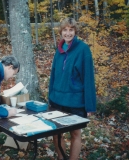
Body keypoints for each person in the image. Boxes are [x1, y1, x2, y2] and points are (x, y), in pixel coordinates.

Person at [48, 17, 96, 160]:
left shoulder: (83, 49)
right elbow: (53, 76)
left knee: (75, 134)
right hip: (57, 100)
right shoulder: (59, 49)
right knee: (56, 133)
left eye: (71, 30)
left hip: (75, 101)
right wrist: (50, 97)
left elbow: (88, 78)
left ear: (75, 31)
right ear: (61, 31)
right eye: (65, 30)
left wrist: (90, 106)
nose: (67, 33)